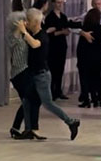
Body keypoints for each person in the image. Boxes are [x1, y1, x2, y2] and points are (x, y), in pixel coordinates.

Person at [25, 8, 80, 140]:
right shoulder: (33, 34)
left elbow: (34, 45)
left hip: (42, 75)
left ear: (35, 22)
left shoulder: (42, 35)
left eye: (28, 20)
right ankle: (30, 129)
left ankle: (71, 121)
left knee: (48, 103)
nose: (26, 23)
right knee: (28, 101)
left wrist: (23, 31)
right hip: (33, 74)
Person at [7, 11, 45, 140]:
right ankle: (31, 129)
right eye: (24, 20)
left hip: (23, 73)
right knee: (32, 100)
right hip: (20, 74)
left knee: (29, 101)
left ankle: (19, 128)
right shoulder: (15, 37)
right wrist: (22, 30)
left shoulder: (23, 35)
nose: (27, 22)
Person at [76, 8, 101, 108]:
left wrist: (81, 32)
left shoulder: (83, 27)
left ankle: (86, 100)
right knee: (96, 77)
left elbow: (69, 25)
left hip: (84, 55)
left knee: (84, 77)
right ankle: (98, 99)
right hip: (97, 56)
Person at [44, 0, 71, 100]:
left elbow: (66, 29)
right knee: (52, 69)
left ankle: (58, 91)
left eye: (62, 2)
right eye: (58, 2)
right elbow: (50, 33)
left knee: (60, 69)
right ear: (53, 3)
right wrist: (61, 32)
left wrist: (64, 32)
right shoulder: (50, 17)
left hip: (62, 45)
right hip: (53, 46)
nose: (60, 5)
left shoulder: (63, 17)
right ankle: (51, 92)